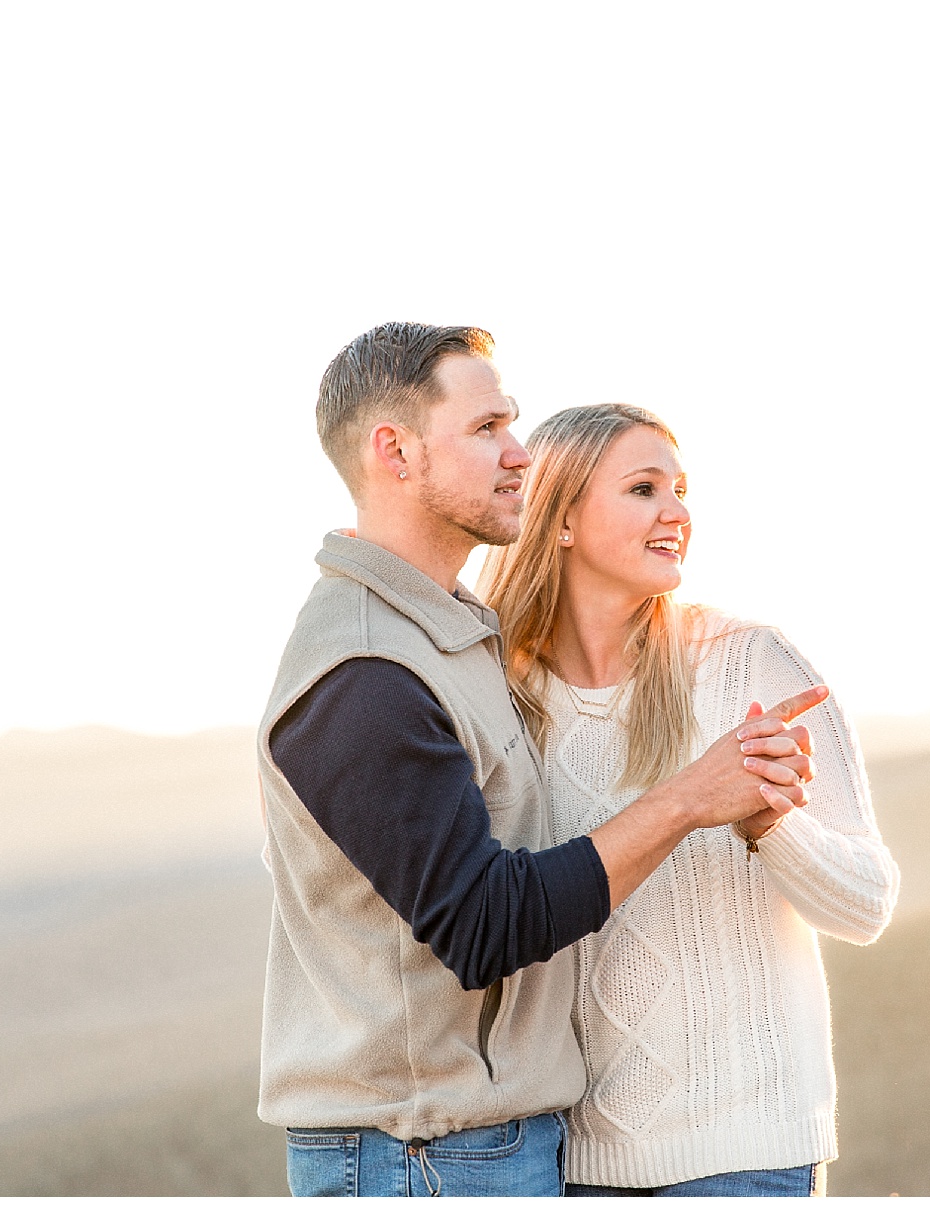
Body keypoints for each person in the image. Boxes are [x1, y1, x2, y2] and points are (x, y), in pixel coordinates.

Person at [256, 323, 826, 1197]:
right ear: (394, 451)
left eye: (512, 425)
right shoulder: (366, 672)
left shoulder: (448, 634)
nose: (520, 453)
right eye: (486, 429)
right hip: (424, 1157)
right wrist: (685, 800)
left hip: (491, 1146)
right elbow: (484, 925)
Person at [479, 403, 901, 1197]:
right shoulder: (503, 696)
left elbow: (866, 903)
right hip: (575, 1167)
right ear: (561, 520)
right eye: (643, 489)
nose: (677, 512)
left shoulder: (748, 663)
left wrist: (768, 820)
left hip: (746, 1155)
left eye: (681, 489)